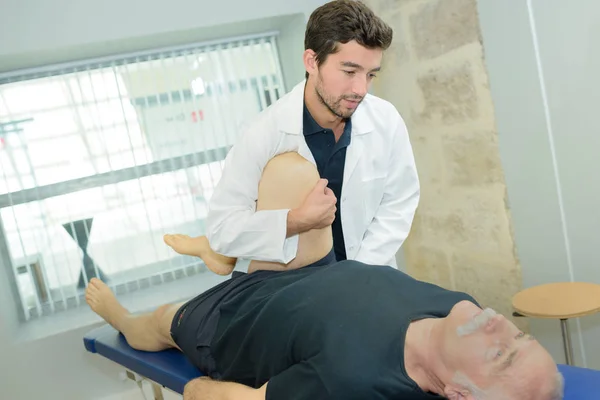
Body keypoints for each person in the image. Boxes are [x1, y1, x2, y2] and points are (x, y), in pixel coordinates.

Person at [88, 153, 563, 400]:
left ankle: (122, 315)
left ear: (457, 392)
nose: (501, 323)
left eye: (501, 354)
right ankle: (222, 252)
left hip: (232, 322)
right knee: (293, 173)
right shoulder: (462, 309)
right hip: (310, 275)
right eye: (522, 337)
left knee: (159, 323)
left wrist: (202, 388)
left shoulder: (353, 386)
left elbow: (202, 393)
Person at [165, 0, 420, 270]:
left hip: (369, 272)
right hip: (294, 283)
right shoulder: (264, 133)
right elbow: (222, 230)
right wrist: (296, 220)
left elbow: (399, 202)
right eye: (349, 71)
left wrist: (360, 272)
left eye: (370, 75)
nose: (360, 89)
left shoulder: (386, 120)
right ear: (312, 61)